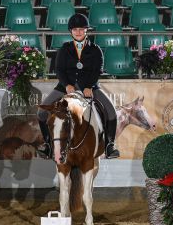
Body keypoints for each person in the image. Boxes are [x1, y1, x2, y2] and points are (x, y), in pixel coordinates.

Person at [37, 13, 120, 159]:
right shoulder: (64, 48)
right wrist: (67, 85)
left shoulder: (95, 49)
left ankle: (110, 145)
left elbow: (97, 70)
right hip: (65, 86)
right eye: (75, 29)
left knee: (111, 111)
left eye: (81, 29)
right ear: (71, 31)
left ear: (86, 30)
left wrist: (89, 86)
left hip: (90, 86)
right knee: (41, 112)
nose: (78, 32)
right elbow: (59, 70)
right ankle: (48, 144)